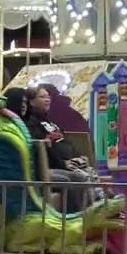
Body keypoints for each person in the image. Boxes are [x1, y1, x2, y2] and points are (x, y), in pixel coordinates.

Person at [25, 84, 97, 212]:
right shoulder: (32, 124)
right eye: (42, 97)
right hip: (54, 165)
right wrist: (64, 163)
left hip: (68, 161)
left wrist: (78, 156)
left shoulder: (51, 122)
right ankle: (83, 215)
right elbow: (45, 150)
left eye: (48, 97)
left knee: (91, 173)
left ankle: (97, 210)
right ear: (32, 102)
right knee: (80, 177)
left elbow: (66, 142)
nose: (47, 100)